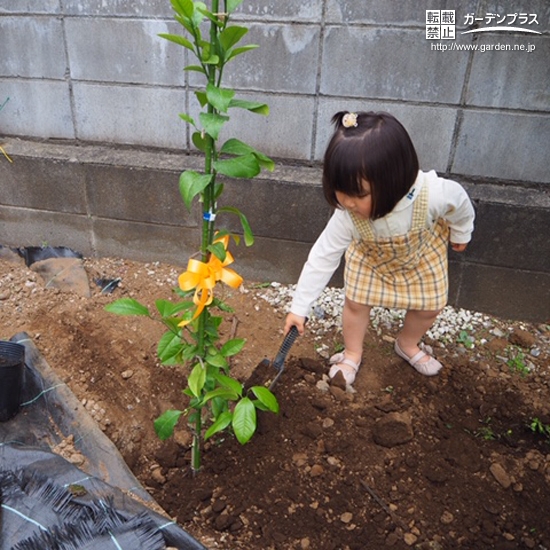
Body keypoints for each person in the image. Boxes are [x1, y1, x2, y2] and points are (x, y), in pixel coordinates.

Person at [284, 111, 475, 385]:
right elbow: (323, 256)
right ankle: (352, 353)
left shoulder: (433, 194)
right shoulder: (347, 215)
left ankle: (407, 344)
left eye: (358, 195)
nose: (346, 202)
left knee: (430, 307)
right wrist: (299, 306)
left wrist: (461, 232)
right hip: (370, 261)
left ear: (395, 181)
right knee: (355, 304)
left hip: (421, 258)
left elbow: (460, 204)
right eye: (340, 190)